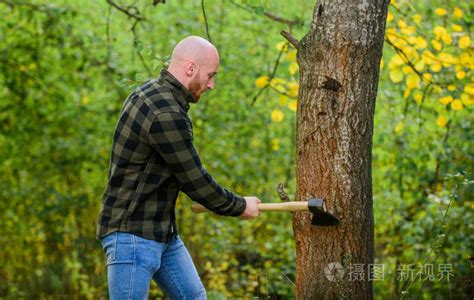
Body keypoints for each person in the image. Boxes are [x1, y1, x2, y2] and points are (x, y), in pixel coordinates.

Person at [96, 36, 261, 299]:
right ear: (191, 68)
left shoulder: (151, 95)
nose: (212, 85)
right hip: (132, 236)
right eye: (211, 75)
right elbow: (195, 181)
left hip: (162, 232)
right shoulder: (165, 113)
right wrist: (240, 206)